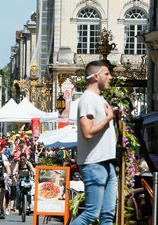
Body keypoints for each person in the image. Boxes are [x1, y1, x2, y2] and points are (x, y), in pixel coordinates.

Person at [71, 60, 116, 225]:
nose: (110, 77)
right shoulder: (88, 99)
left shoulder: (99, 99)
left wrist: (113, 117)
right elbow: (88, 132)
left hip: (106, 162)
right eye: (107, 74)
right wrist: (109, 118)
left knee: (108, 216)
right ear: (96, 77)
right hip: (94, 162)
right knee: (91, 214)